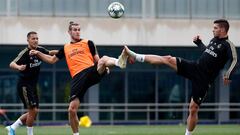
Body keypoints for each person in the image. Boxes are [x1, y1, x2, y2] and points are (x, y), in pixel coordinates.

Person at [123, 19, 238, 135]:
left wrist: (228, 74)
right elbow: (208, 52)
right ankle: (135, 55)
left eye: (215, 28)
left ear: (223, 29)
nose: (213, 30)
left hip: (204, 79)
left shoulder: (228, 45)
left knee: (193, 109)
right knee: (167, 59)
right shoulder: (214, 40)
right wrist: (199, 43)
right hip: (194, 67)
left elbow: (235, 60)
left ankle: (188, 134)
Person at [29, 21, 128, 135]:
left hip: (90, 71)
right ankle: (76, 134)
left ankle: (118, 62)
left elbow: (97, 59)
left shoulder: (88, 43)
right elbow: (51, 60)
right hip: (77, 78)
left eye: (79, 30)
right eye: (75, 30)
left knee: (104, 58)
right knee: (71, 110)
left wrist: (105, 67)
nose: (77, 32)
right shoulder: (65, 48)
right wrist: (37, 53)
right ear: (69, 32)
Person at [6, 31, 58, 135]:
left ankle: (12, 127)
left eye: (37, 38)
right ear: (28, 40)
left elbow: (50, 52)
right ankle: (29, 133)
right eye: (33, 38)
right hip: (24, 85)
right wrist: (19, 67)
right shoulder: (25, 52)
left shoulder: (40, 50)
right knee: (32, 110)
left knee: (34, 112)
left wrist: (64, 51)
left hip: (33, 86)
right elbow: (11, 64)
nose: (35, 40)